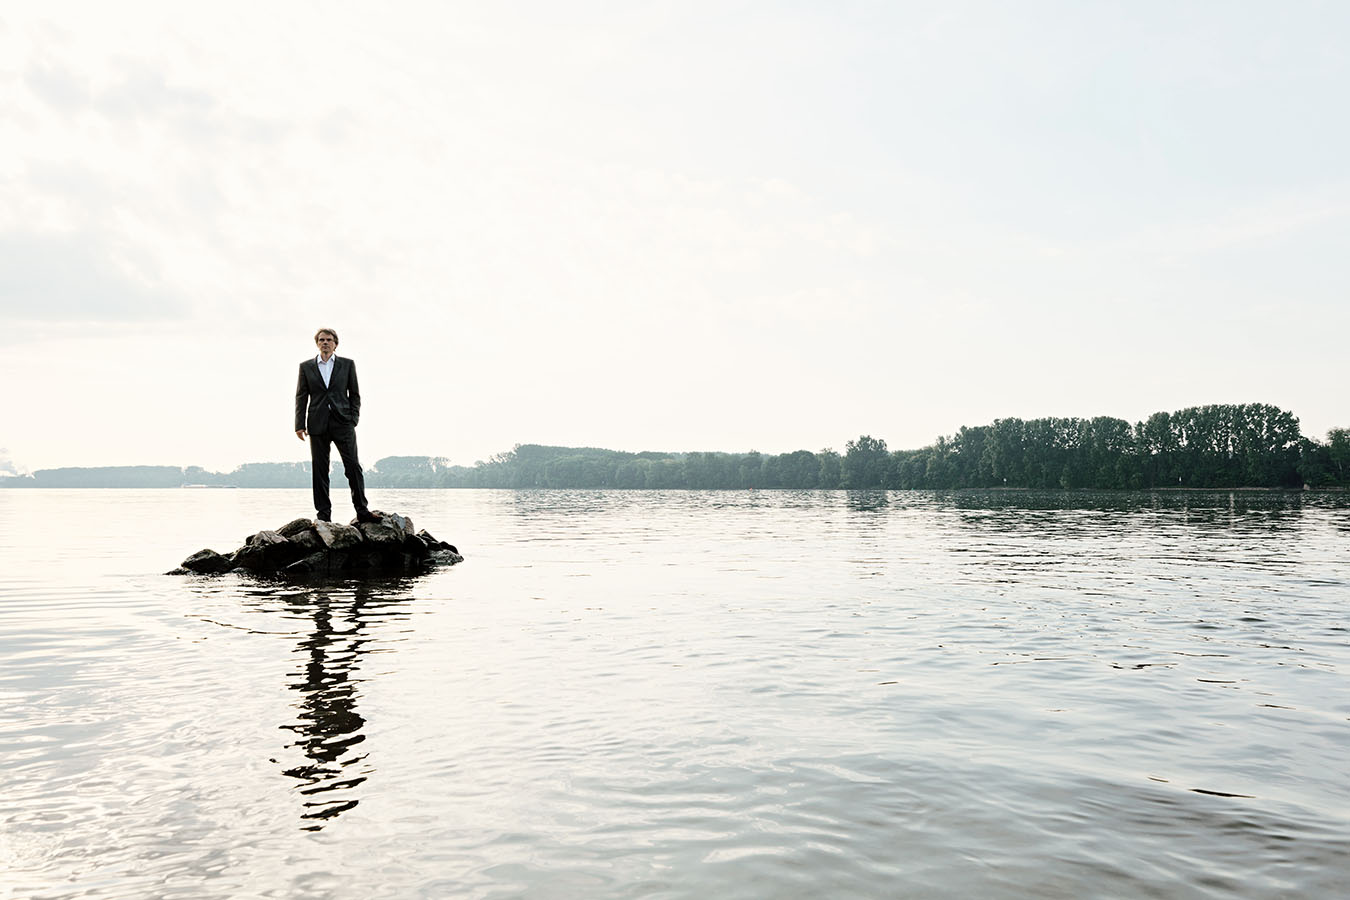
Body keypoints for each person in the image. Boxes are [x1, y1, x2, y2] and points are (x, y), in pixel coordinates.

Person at [294, 328, 379, 523]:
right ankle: (324, 515)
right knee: (320, 470)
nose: (325, 343)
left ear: (335, 343)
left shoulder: (347, 365)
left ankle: (362, 511)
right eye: (322, 340)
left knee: (353, 467)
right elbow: (301, 396)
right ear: (317, 343)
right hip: (316, 424)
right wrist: (299, 424)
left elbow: (355, 394)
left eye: (329, 340)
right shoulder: (306, 367)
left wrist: (353, 418)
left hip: (343, 422)